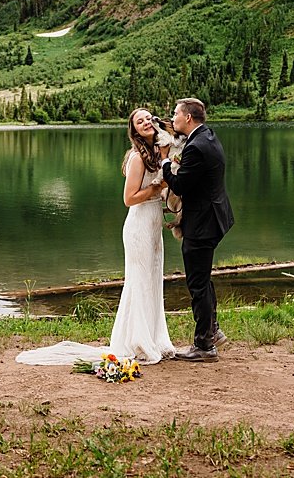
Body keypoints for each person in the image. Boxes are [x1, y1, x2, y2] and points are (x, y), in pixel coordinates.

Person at [16, 108, 176, 366]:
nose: (146, 122)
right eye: (140, 121)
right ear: (134, 130)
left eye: (149, 118)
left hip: (154, 225)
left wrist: (165, 134)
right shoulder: (137, 158)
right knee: (139, 281)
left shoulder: (158, 153)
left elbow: (170, 148)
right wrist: (157, 187)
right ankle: (137, 341)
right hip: (139, 226)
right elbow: (128, 199)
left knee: (153, 280)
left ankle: (154, 338)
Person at [162, 97, 234, 362]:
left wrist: (165, 164)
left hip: (203, 223)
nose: (173, 118)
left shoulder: (196, 147)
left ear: (188, 118)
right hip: (213, 217)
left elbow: (179, 186)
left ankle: (204, 346)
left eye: (176, 114)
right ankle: (212, 332)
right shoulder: (207, 137)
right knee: (203, 278)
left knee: (197, 282)